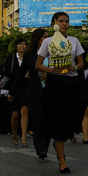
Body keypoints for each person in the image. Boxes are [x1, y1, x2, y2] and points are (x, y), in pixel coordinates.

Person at [35, 12, 85, 174]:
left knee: (70, 120)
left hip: (71, 85)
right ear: (54, 23)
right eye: (61, 21)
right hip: (55, 84)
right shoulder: (48, 42)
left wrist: (74, 68)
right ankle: (62, 160)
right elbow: (38, 65)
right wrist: (50, 70)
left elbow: (80, 63)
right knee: (58, 122)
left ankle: (63, 145)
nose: (64, 24)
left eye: (67, 21)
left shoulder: (74, 41)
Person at [13, 29, 50, 158]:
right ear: (38, 39)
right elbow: (20, 73)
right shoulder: (30, 54)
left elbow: (59, 69)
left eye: (47, 36)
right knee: (37, 120)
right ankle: (40, 149)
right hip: (34, 92)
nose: (46, 38)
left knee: (47, 120)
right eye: (44, 37)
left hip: (49, 91)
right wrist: (12, 91)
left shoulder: (52, 53)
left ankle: (45, 145)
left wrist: (48, 74)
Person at [5, 38, 28, 146]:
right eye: (20, 44)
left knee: (24, 110)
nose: (22, 46)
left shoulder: (29, 57)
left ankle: (23, 137)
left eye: (24, 44)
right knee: (15, 114)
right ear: (16, 46)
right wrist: (20, 73)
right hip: (15, 87)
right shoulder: (11, 58)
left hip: (26, 87)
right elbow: (6, 72)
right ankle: (14, 133)